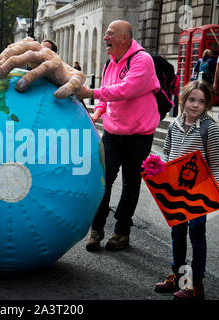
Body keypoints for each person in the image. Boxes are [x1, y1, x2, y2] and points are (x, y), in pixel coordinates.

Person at [74, 20, 161, 251]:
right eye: (105, 33)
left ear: (126, 37)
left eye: (110, 34)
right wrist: (99, 111)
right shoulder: (110, 62)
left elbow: (127, 89)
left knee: (131, 184)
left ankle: (122, 233)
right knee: (103, 180)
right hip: (113, 132)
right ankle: (96, 229)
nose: (105, 38)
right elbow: (108, 93)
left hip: (139, 135)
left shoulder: (142, 60)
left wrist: (91, 92)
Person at [154, 80, 219, 300]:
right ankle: (179, 278)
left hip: (199, 191)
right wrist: (158, 168)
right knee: (177, 235)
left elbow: (216, 164)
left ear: (207, 105)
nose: (195, 105)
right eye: (191, 100)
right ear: (183, 100)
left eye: (201, 101)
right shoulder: (174, 124)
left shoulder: (210, 128)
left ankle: (196, 284)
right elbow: (167, 153)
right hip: (176, 190)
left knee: (197, 236)